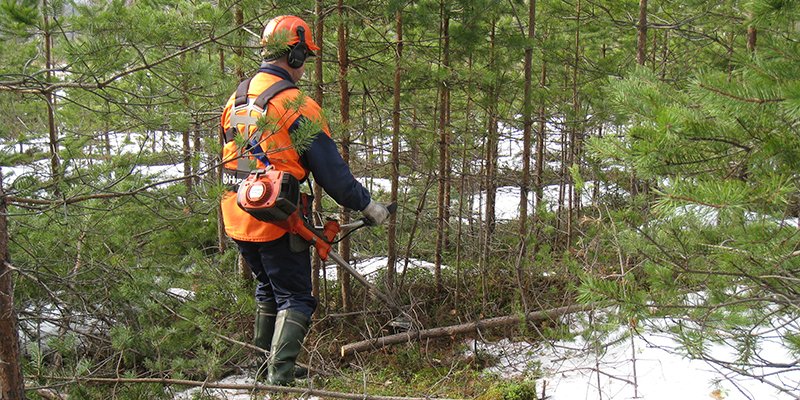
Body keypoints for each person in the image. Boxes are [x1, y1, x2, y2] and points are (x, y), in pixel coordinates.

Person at [218, 15, 390, 386]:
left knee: (268, 288)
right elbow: (332, 174)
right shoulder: (296, 104)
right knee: (297, 298)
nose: (303, 67)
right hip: (277, 218)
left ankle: (266, 367)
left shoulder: (237, 96)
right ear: (294, 55)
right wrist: (368, 206)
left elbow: (232, 153)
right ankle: (279, 379)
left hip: (236, 212)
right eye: (304, 57)